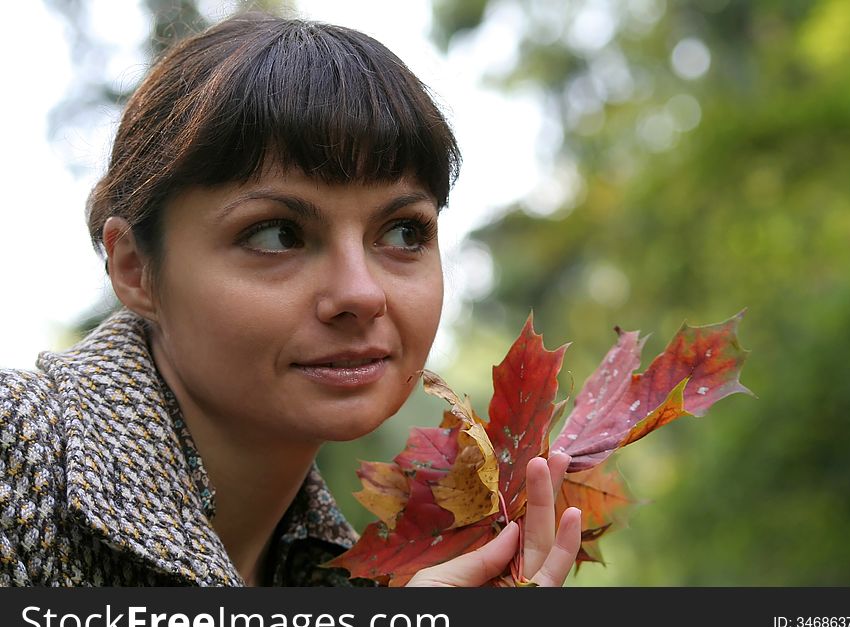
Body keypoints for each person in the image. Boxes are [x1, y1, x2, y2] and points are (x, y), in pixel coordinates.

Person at [0, 10, 581, 587]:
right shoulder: (17, 456)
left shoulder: (335, 575)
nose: (360, 293)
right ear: (135, 269)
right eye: (277, 234)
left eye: (404, 232)